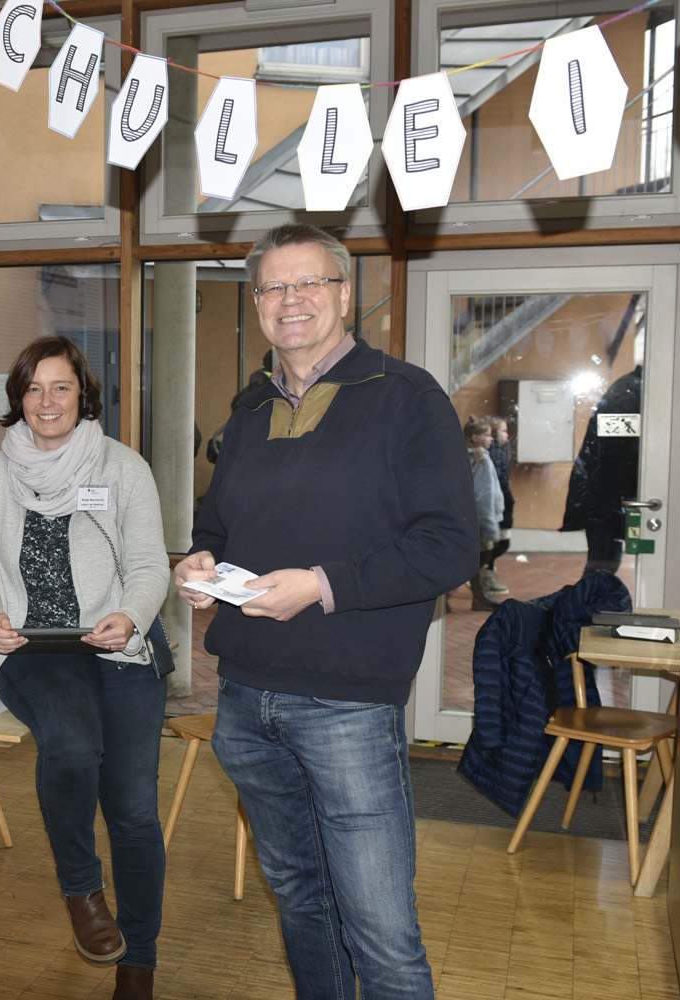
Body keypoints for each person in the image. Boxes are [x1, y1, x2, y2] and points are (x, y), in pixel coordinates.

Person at [174, 223, 477, 1000]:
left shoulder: (406, 398)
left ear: (344, 295)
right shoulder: (249, 409)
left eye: (309, 282)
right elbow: (218, 530)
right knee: (302, 902)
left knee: (381, 931)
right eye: (274, 287)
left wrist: (319, 584)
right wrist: (200, 565)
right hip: (245, 702)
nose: (291, 300)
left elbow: (449, 549)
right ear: (257, 303)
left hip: (348, 705)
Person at [0, 336, 170, 1000]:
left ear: (83, 394)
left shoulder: (123, 468)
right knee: (73, 744)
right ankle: (81, 889)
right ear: (17, 397)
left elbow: (149, 565)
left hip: (118, 644)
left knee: (133, 810)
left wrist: (130, 616)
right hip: (32, 649)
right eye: (34, 388)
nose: (47, 401)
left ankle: (140, 959)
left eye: (61, 387)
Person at [561, 364, 642, 575]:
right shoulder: (630, 391)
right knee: (603, 563)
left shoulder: (631, 388)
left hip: (605, 493)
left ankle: (592, 595)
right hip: (605, 494)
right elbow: (620, 449)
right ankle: (589, 597)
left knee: (606, 561)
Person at [464, 416, 505, 612]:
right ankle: (476, 597)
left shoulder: (469, 457)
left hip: (474, 520)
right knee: (481, 557)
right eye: (487, 435)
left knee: (474, 560)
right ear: (475, 437)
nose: (491, 439)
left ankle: (480, 597)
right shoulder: (481, 459)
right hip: (481, 521)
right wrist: (490, 525)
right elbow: (484, 495)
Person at [482, 415, 515, 594]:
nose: (507, 435)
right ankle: (483, 574)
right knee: (499, 544)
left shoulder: (492, 453)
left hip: (494, 508)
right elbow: (501, 485)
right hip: (497, 509)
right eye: (503, 431)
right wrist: (510, 503)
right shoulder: (497, 455)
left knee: (492, 545)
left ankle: (485, 574)